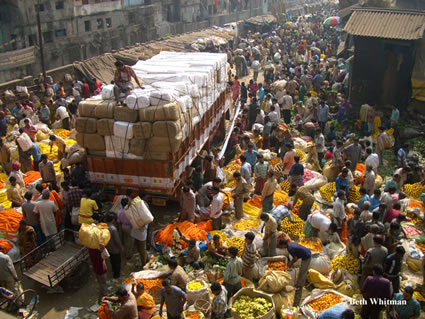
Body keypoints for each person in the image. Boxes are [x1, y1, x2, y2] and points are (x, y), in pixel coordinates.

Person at [279, 238, 312, 306]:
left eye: (281, 246)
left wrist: (290, 264)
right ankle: (299, 282)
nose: (281, 247)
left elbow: (295, 258)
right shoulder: (290, 244)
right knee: (301, 270)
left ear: (283, 245)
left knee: (303, 271)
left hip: (307, 256)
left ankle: (300, 285)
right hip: (305, 254)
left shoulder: (290, 248)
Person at [105, 213, 123, 279]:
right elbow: (117, 240)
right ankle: (116, 275)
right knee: (117, 262)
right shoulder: (113, 229)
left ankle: (113, 270)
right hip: (114, 248)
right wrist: (121, 247)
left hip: (108, 247)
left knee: (112, 260)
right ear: (113, 220)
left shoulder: (104, 226)